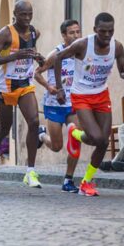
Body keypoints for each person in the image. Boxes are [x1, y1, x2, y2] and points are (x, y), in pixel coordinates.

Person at [57, 13, 124, 195]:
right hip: (81, 95)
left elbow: (123, 72)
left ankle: (86, 182)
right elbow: (59, 57)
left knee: (102, 142)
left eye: (110, 31)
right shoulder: (83, 45)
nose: (107, 35)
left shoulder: (117, 47)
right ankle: (75, 133)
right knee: (97, 138)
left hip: (101, 94)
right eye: (102, 31)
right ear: (94, 30)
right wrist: (59, 88)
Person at [0, 0, 45, 188]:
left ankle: (30, 171)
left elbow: (31, 51)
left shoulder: (34, 32)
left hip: (25, 84)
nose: (27, 18)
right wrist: (14, 56)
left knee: (34, 122)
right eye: (23, 14)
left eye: (30, 14)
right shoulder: (5, 33)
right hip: (5, 86)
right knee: (4, 127)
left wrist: (37, 57)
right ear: (15, 14)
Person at [35, 19, 83, 192]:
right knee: (57, 146)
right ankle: (41, 136)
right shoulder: (55, 54)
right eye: (72, 33)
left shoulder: (82, 53)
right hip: (54, 104)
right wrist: (49, 87)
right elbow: (37, 73)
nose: (76, 35)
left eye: (78, 32)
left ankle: (68, 180)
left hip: (74, 104)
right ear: (64, 35)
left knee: (75, 140)